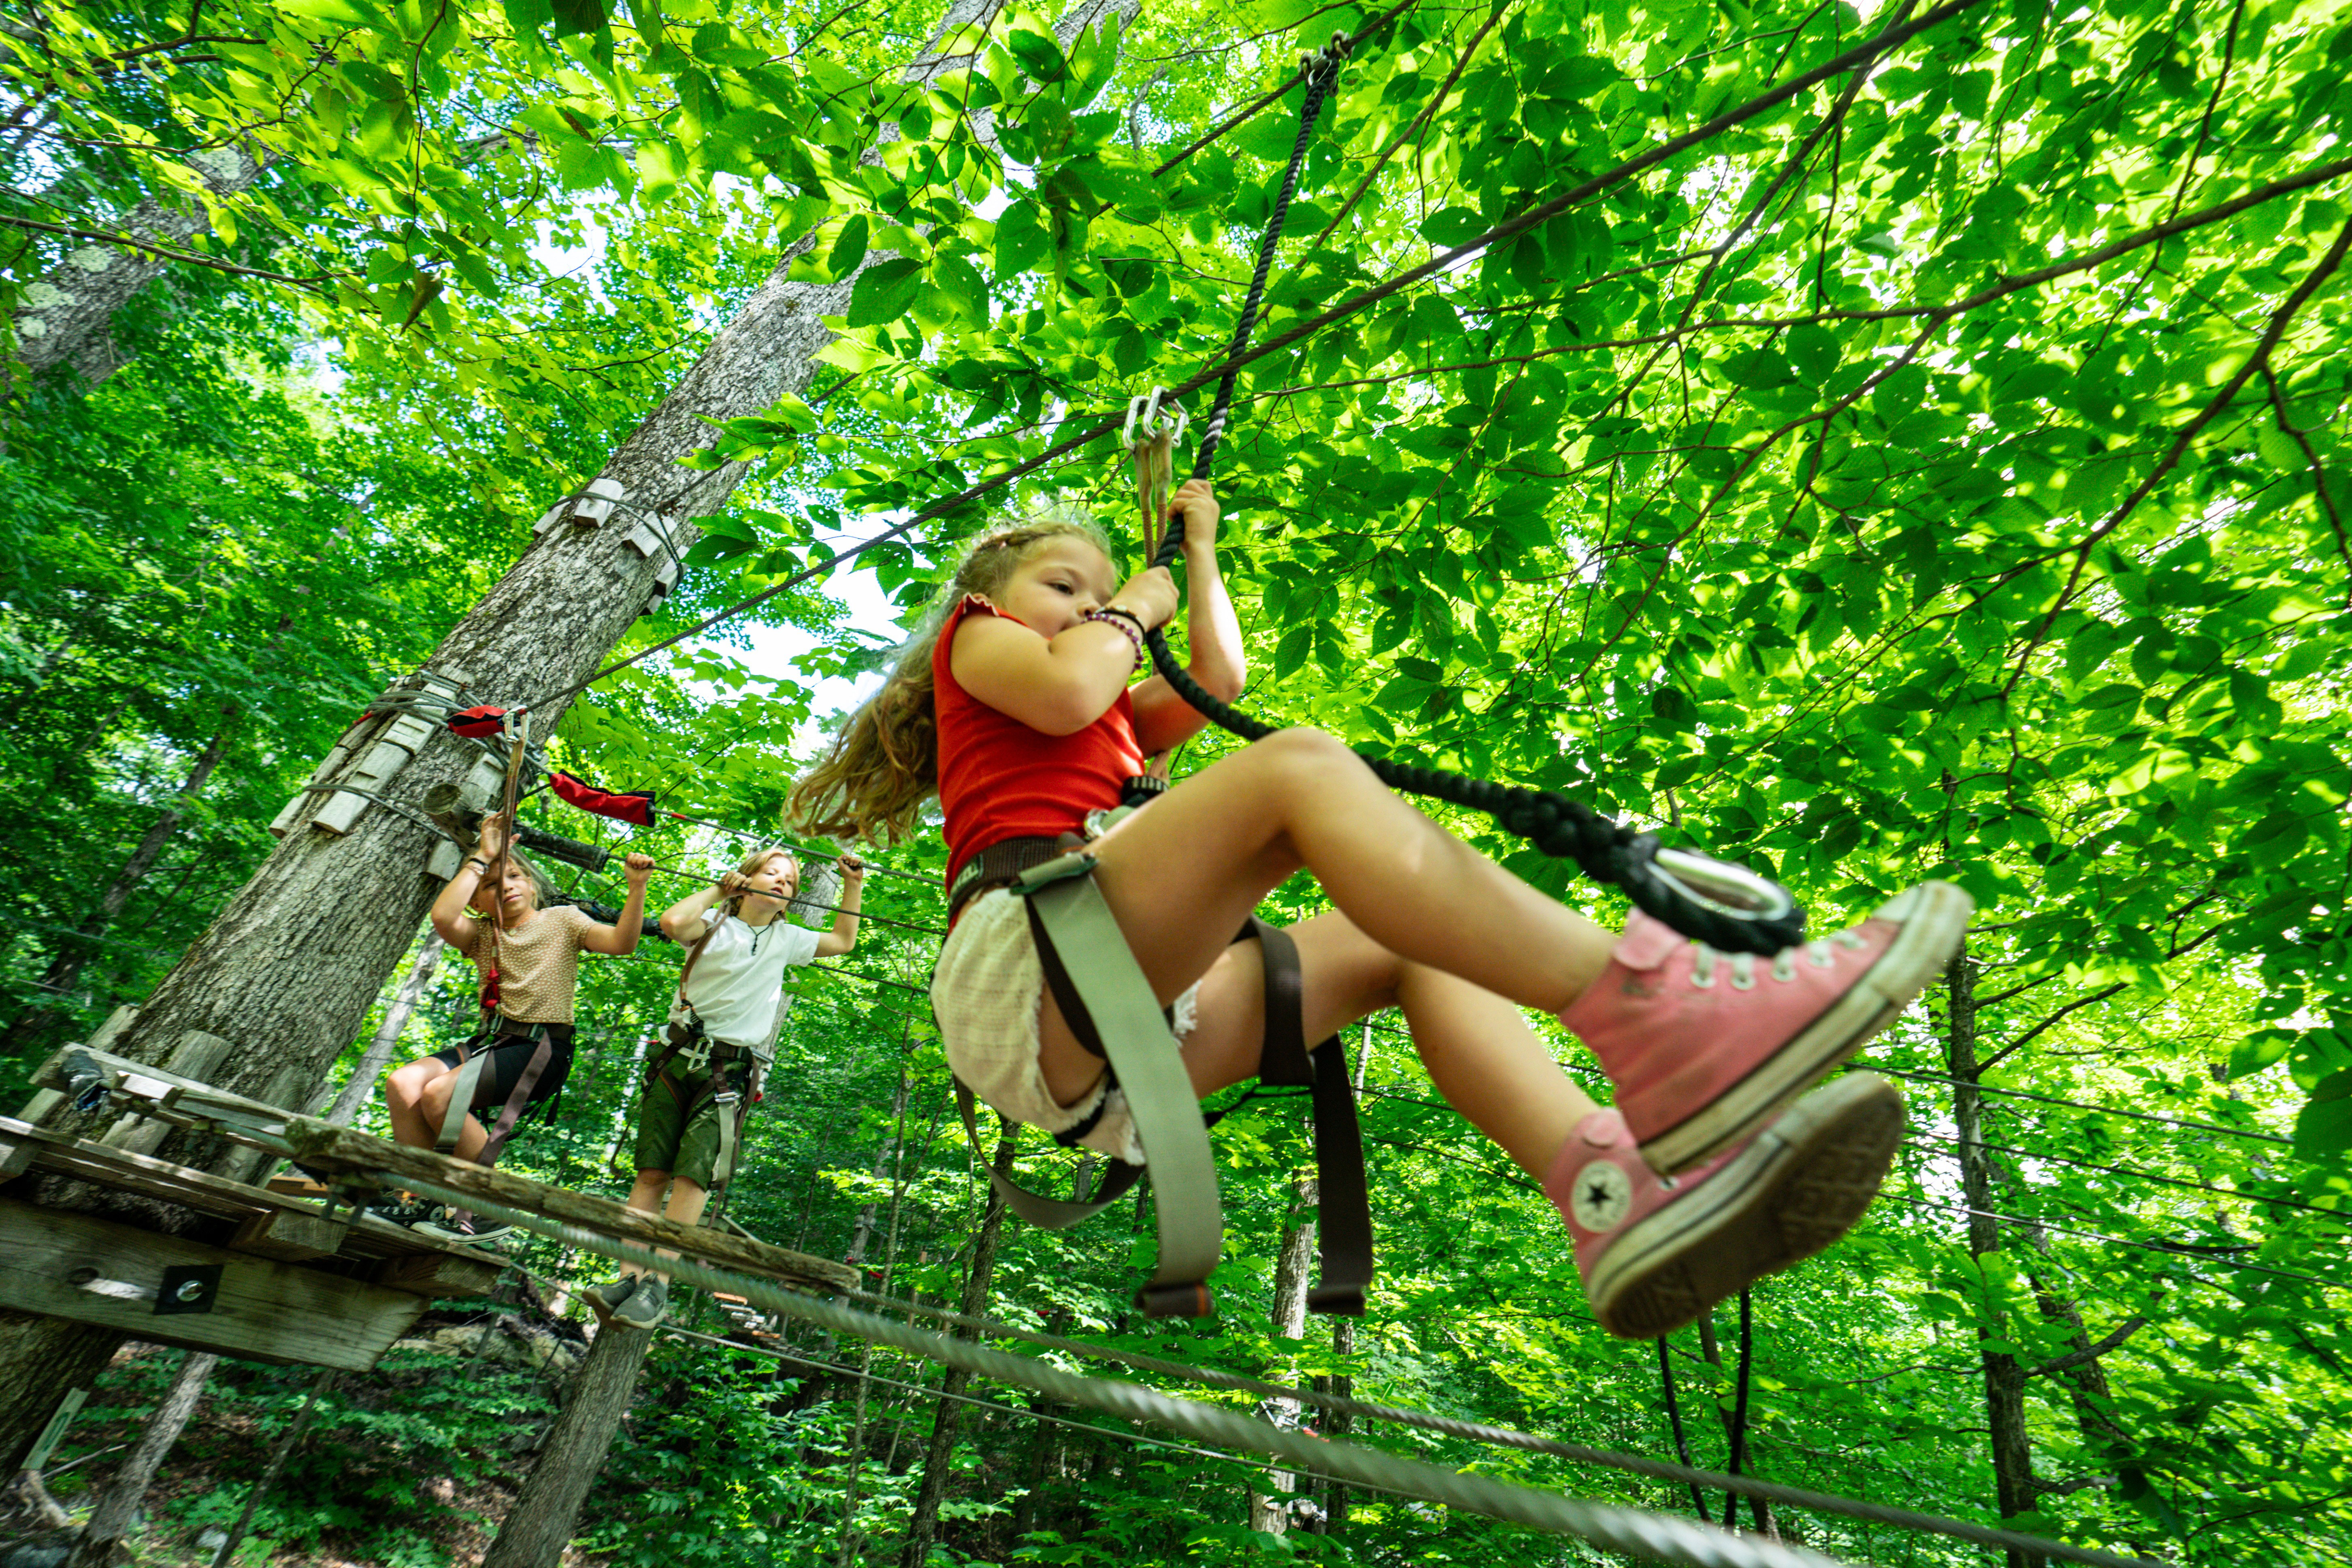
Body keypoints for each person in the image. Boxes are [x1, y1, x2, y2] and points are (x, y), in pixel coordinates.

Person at [788, 482, 1971, 1338]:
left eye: (1097, 590)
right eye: (1064, 583)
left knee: (1404, 945)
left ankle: (1603, 1188)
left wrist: (1193, 561)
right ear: (990, 597)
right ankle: (1660, 1012)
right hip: (1028, 963)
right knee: (1299, 770)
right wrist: (1128, 605)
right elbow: (1065, 690)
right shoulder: (980, 643)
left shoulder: (1109, 699)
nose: (1089, 604)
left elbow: (1223, 676)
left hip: (1111, 1008)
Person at [588, 844, 865, 1329]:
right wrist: (719, 888)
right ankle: (628, 1278)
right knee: (652, 1173)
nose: (782, 882)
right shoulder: (714, 923)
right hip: (675, 1059)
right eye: (772, 873)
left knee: (693, 1175)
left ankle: (659, 1284)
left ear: (789, 902)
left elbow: (844, 940)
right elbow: (673, 923)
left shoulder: (787, 940)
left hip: (726, 1071)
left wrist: (854, 884)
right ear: (746, 881)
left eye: (790, 882)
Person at [379, 811, 654, 1243]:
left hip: (542, 1045)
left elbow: (623, 943)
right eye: (490, 884)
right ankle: (415, 1196)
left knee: (440, 1094)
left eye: (512, 876)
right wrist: (482, 856)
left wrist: (636, 888)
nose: (505, 885)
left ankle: (489, 1207)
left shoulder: (563, 920)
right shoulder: (481, 934)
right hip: (494, 1041)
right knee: (402, 1083)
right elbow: (442, 915)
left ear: (531, 884)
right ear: (477, 900)